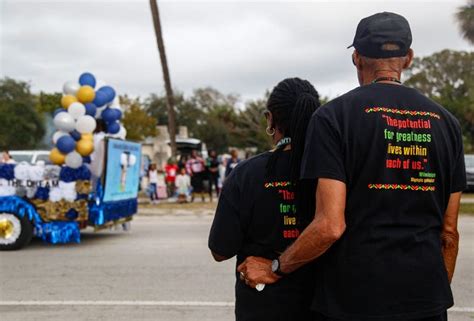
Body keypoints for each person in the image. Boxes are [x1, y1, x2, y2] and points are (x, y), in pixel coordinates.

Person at [238, 12, 466, 321]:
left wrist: (276, 267)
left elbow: (330, 225)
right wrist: (432, 293)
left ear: (357, 57)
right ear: (408, 58)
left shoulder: (334, 118)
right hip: (426, 299)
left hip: (354, 302)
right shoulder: (448, 125)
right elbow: (449, 232)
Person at [208, 78, 321, 321]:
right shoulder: (332, 170)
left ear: (270, 119)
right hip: (321, 301)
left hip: (262, 303)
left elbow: (220, 250)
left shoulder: (245, 173)